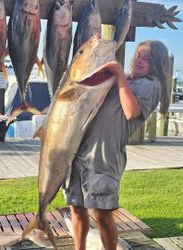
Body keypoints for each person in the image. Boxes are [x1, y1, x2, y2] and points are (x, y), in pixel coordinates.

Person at [63, 40, 170, 250]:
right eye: (138, 55)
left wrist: (120, 75)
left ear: (157, 64)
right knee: (76, 207)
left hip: (105, 157)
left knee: (102, 214)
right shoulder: (124, 80)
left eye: (146, 57)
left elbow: (131, 112)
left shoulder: (151, 85)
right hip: (81, 152)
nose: (139, 60)